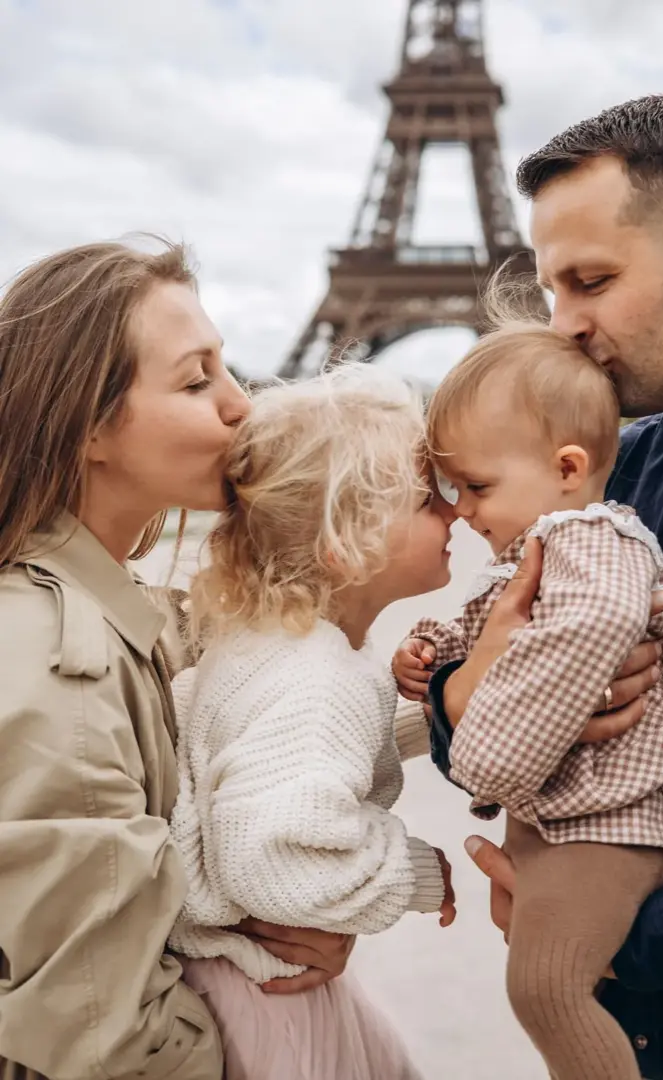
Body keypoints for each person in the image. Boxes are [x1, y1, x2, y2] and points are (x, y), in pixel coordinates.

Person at [0, 239, 355, 1080]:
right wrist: (268, 1019)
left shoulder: (101, 606)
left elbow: (253, 708)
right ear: (87, 425)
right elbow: (107, 1036)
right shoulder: (63, 666)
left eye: (226, 371)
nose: (243, 407)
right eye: (196, 381)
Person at [449, 93, 663, 1080]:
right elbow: (485, 670)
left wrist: (604, 940)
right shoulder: (601, 479)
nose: (563, 329)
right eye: (550, 291)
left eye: (591, 282)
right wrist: (453, 692)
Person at [392, 323, 663, 1079]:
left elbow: (593, 624)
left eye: (475, 487)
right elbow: (496, 643)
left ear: (567, 467)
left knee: (545, 990)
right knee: (560, 994)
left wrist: (487, 753)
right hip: (576, 807)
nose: (462, 510)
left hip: (611, 812)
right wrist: (440, 672)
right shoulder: (556, 532)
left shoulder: (591, 539)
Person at [168, 364, 457, 1080]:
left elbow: (302, 760)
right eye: (426, 499)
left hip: (249, 979)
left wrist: (437, 713)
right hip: (269, 1002)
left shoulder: (284, 644)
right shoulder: (313, 677)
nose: (453, 513)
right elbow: (272, 853)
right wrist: (415, 873)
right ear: (346, 542)